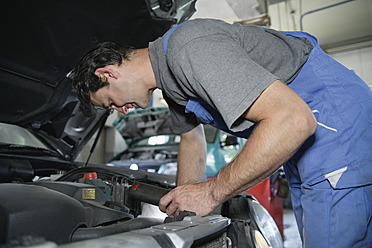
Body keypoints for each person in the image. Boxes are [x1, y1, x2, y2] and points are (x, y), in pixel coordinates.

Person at [71, 18, 372, 247]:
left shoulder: (188, 48)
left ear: (107, 73)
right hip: (307, 143)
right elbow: (192, 140)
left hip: (333, 123)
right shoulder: (171, 85)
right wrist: (182, 210)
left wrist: (211, 192)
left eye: (111, 102)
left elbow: (293, 119)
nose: (121, 110)